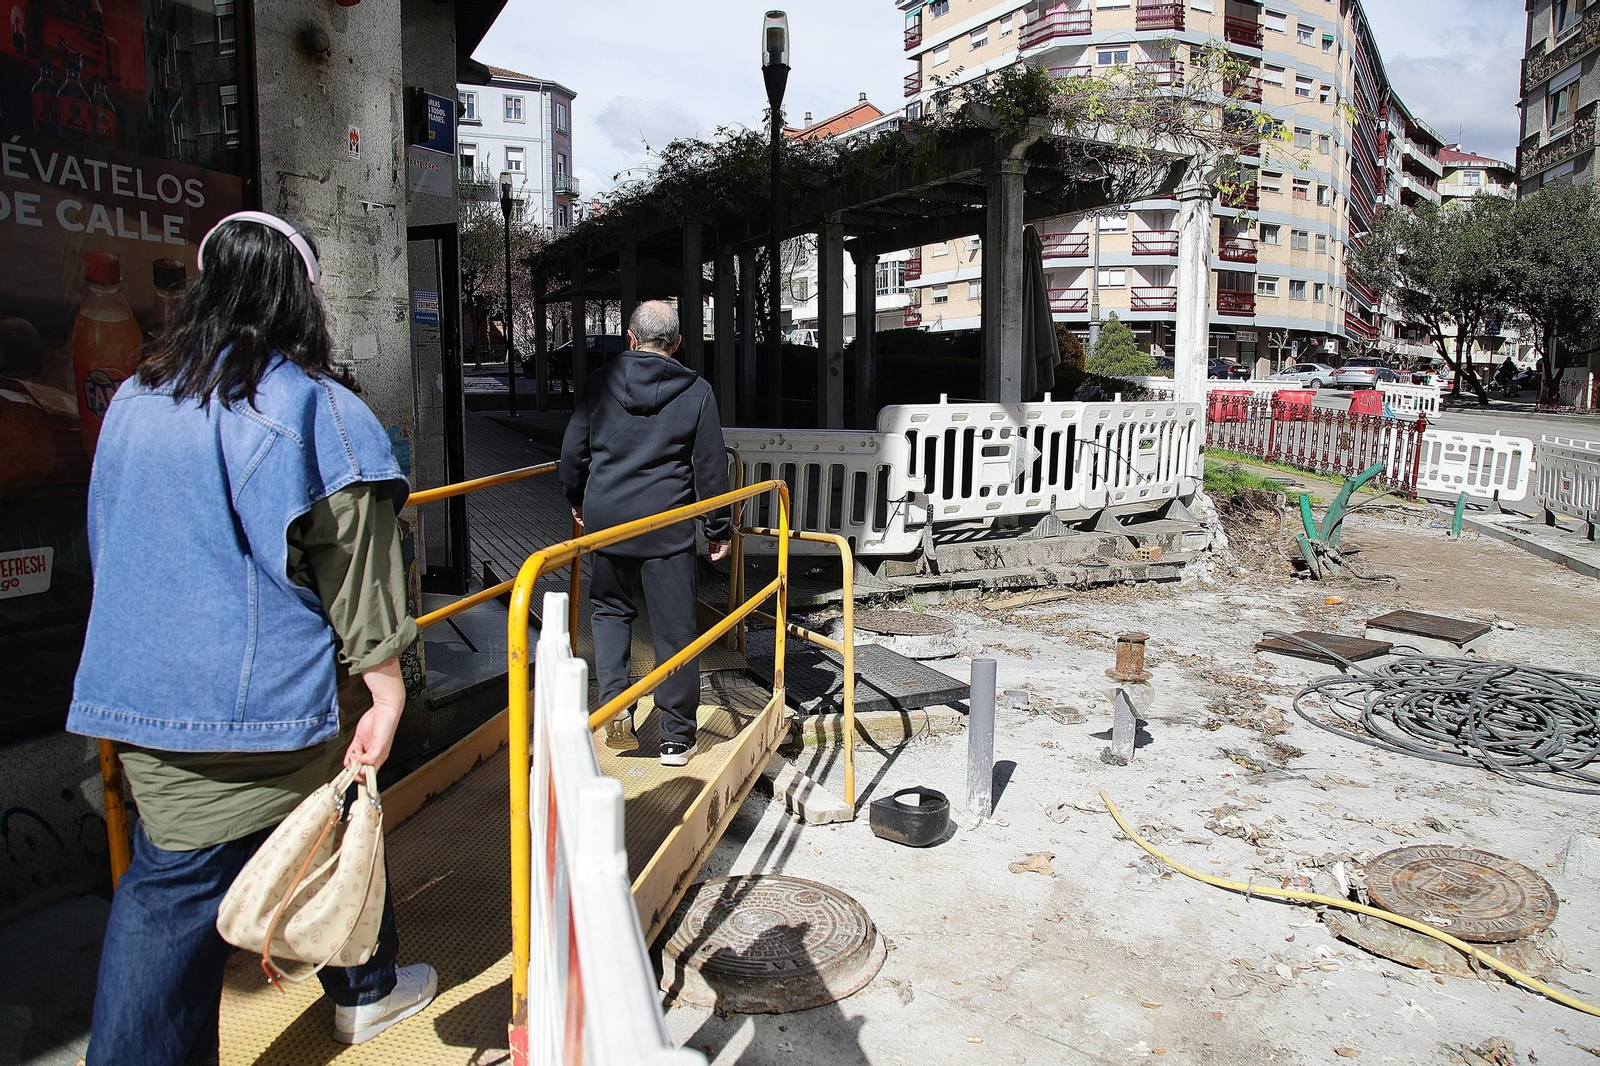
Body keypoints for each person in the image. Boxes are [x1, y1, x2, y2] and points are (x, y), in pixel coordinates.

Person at [67, 211, 436, 1062]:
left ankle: (363, 986)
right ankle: (364, 993)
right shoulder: (317, 408)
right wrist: (386, 687)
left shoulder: (135, 398)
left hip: (140, 696)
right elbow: (358, 566)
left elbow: (110, 535)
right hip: (260, 707)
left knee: (189, 870)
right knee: (309, 839)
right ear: (301, 296)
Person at [560, 301, 731, 766]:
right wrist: (718, 528)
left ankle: (617, 710)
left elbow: (572, 454)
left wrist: (578, 500)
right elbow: (711, 469)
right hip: (667, 528)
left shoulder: (599, 384)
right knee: (675, 628)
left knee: (610, 611)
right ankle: (676, 737)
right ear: (676, 343)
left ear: (630, 339)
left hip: (608, 522)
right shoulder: (696, 391)